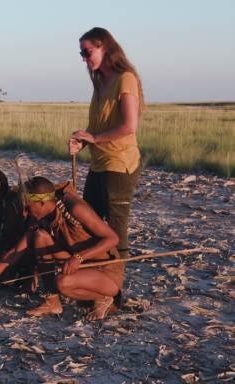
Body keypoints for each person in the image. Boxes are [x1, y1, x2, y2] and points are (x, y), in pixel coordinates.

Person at [0, 177, 123, 321]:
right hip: (80, 266)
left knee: (62, 282)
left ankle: (104, 297)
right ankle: (52, 300)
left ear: (43, 202)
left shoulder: (76, 208)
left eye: (28, 207)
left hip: (105, 271)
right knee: (39, 236)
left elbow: (112, 238)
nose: (25, 212)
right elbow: (15, 252)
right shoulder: (41, 216)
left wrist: (78, 257)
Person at [69, 27, 143, 263]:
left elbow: (129, 126)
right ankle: (95, 278)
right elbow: (97, 126)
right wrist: (82, 142)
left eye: (87, 52)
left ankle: (115, 293)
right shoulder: (100, 83)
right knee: (89, 223)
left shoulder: (125, 79)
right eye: (81, 54)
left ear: (105, 47)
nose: (84, 58)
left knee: (116, 229)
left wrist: (95, 139)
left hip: (120, 164)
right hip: (98, 163)